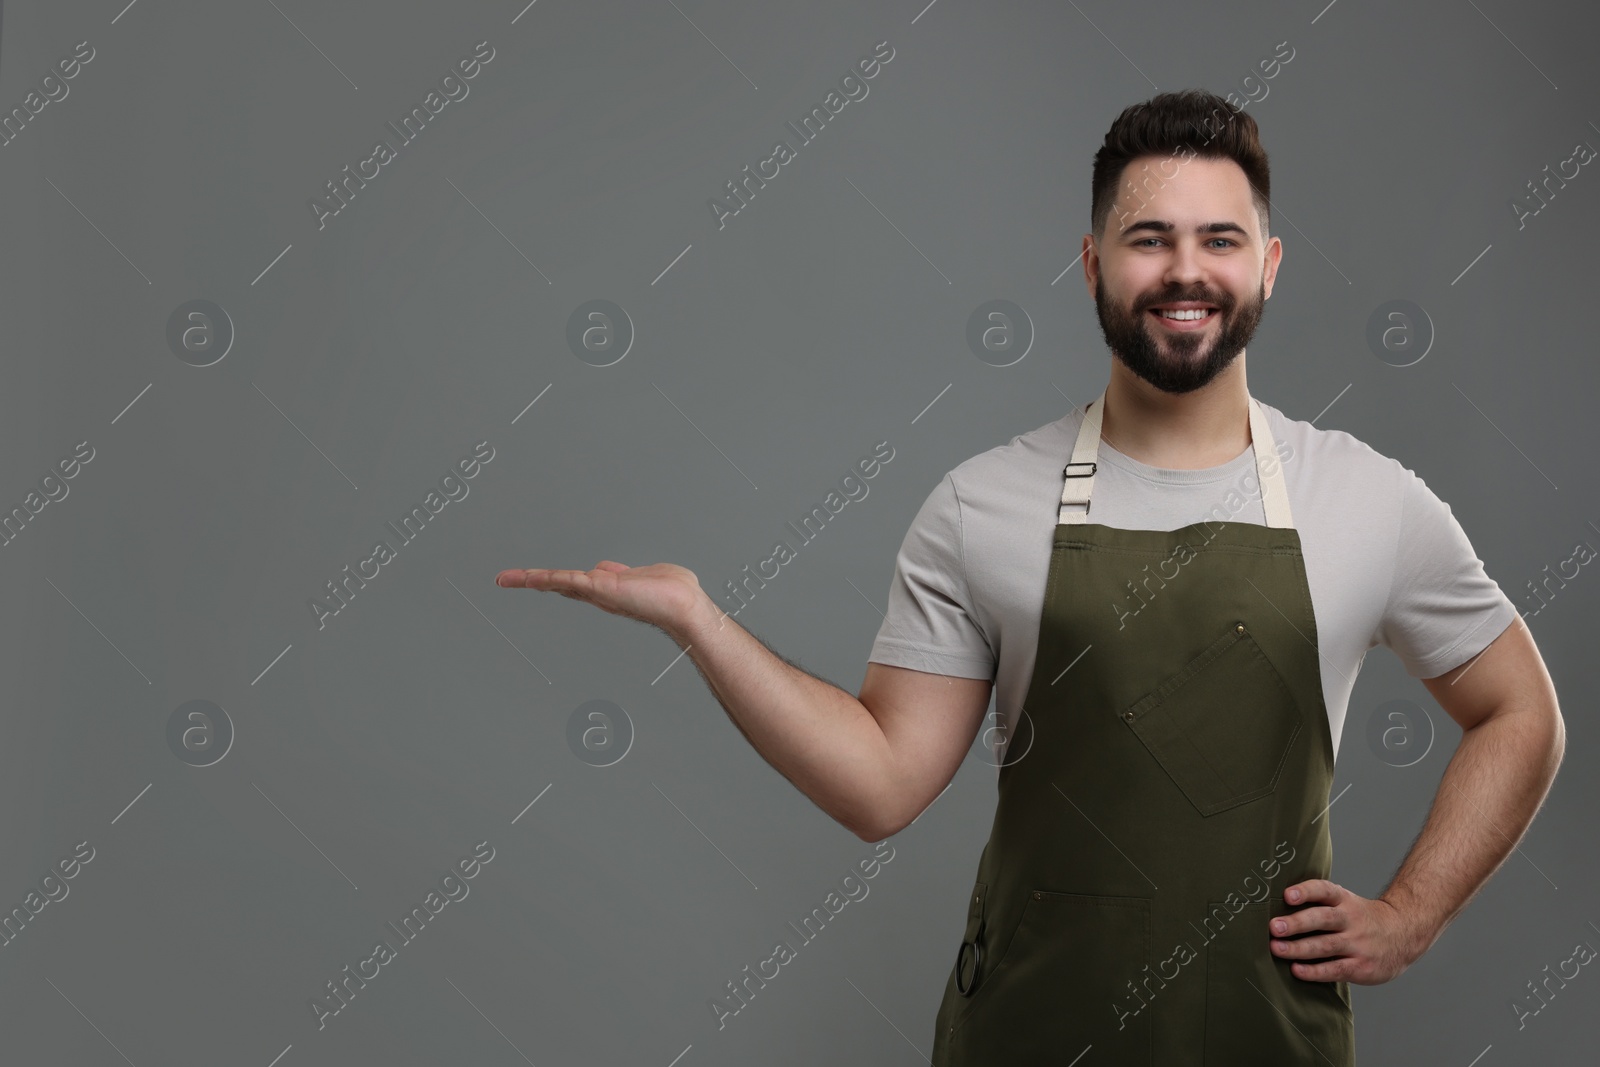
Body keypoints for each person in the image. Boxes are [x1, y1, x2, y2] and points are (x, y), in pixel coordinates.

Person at [495, 89, 1564, 1065]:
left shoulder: (1366, 498)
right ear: (1094, 263)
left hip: (1266, 1038)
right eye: (1149, 240)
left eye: (1218, 240)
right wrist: (698, 619)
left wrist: (1413, 911)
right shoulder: (983, 503)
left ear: (1269, 265)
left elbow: (1520, 711)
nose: (1185, 271)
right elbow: (879, 785)